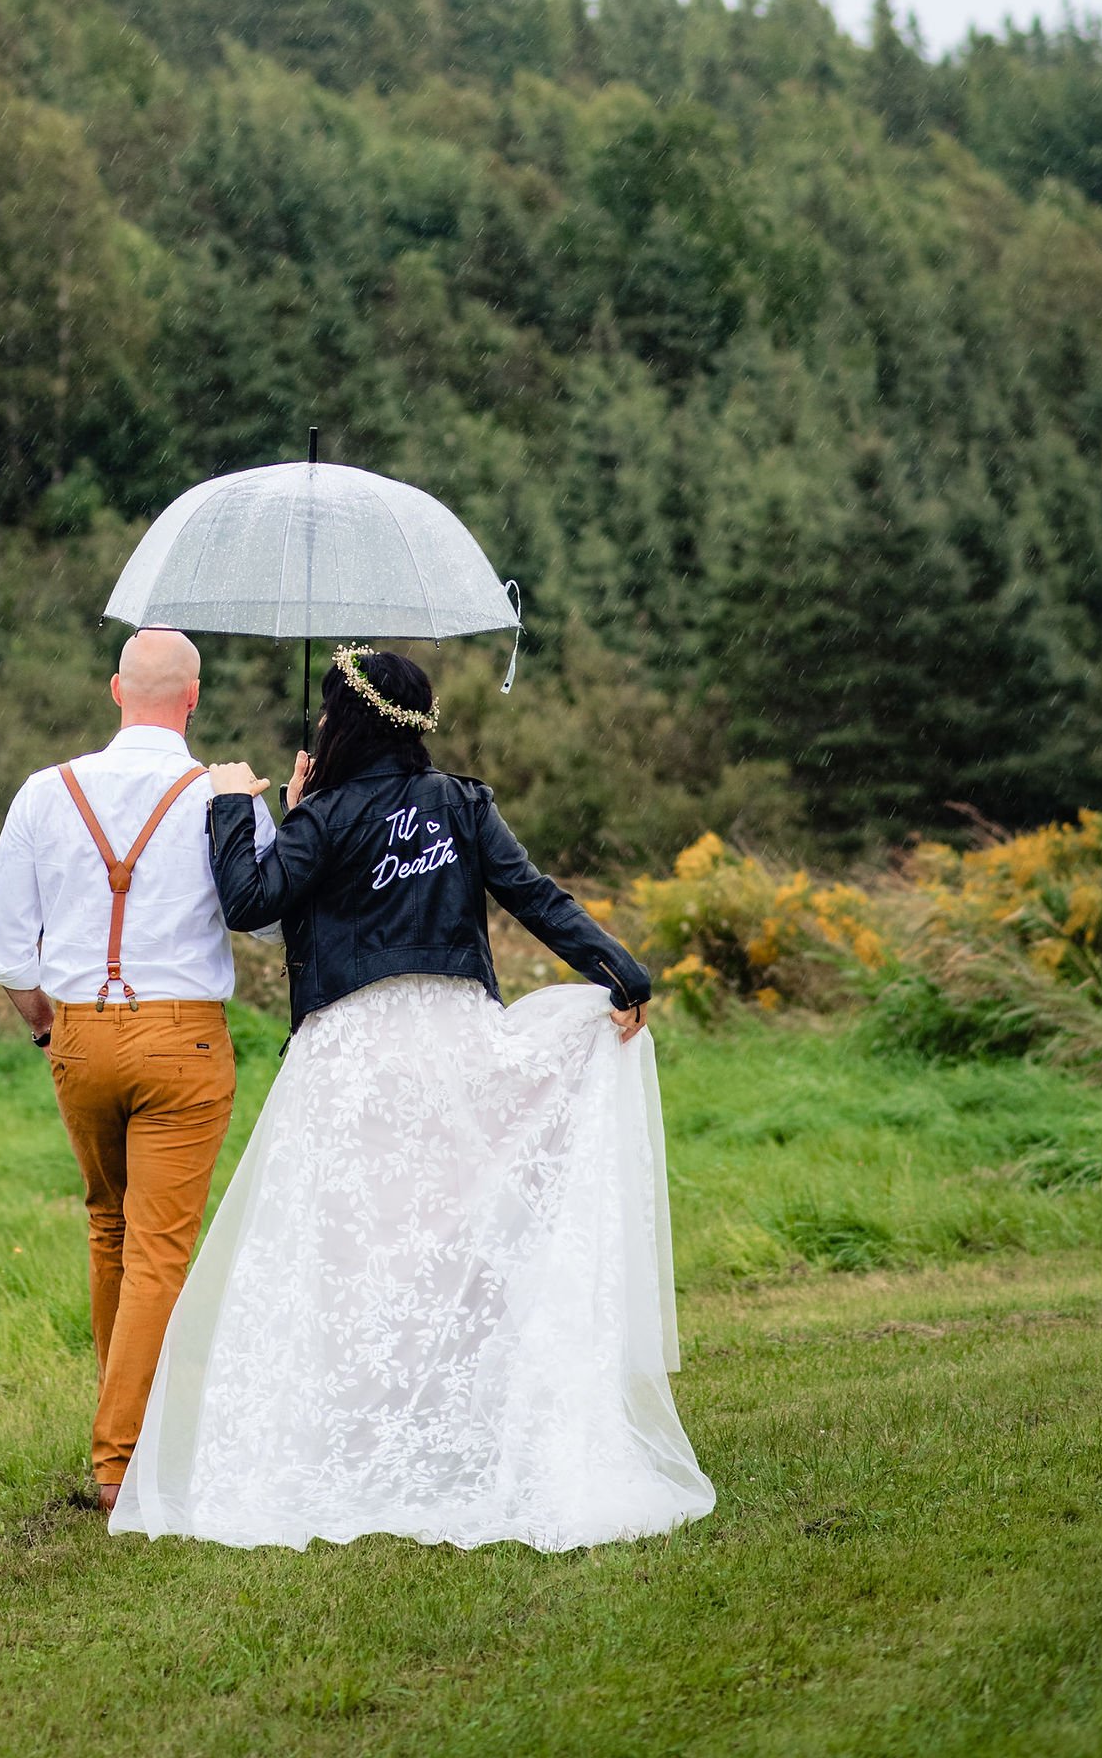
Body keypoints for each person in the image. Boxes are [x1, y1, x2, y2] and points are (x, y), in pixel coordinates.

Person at [110, 645, 715, 1552]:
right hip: (455, 1046)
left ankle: (365, 1440)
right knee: (448, 1242)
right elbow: (532, 896)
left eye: (325, 716)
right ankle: (447, 1432)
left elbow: (249, 897)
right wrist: (619, 972)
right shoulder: (461, 804)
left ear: (342, 725)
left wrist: (239, 806)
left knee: (355, 1254)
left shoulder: (331, 814)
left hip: (353, 1060)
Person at [0, 626, 277, 1512]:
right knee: (158, 1249)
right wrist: (286, 811)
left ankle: (126, 1419)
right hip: (183, 1038)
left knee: (109, 1229)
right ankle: (120, 1463)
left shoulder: (44, 792)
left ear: (116, 690)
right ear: (192, 698)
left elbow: (4, 948)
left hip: (78, 1034)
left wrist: (47, 1031)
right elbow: (267, 920)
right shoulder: (219, 793)